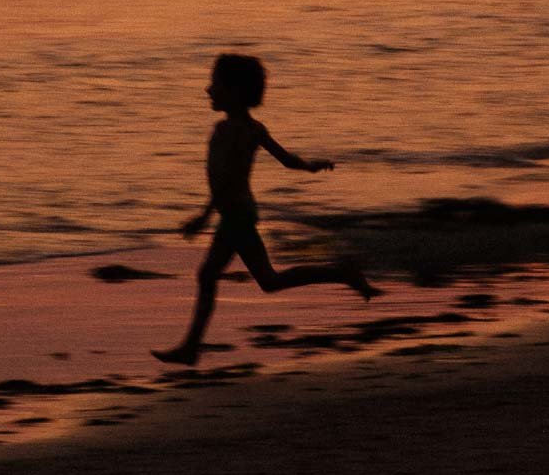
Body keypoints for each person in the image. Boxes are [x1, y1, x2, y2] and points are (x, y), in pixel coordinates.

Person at [152, 53, 380, 366]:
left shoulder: (226, 131)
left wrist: (203, 216)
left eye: (215, 84)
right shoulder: (254, 128)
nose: (208, 90)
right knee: (268, 280)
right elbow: (286, 161)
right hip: (241, 213)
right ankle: (344, 273)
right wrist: (312, 167)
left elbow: (225, 181)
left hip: (234, 216)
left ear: (234, 91)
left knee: (210, 275)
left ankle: (191, 348)